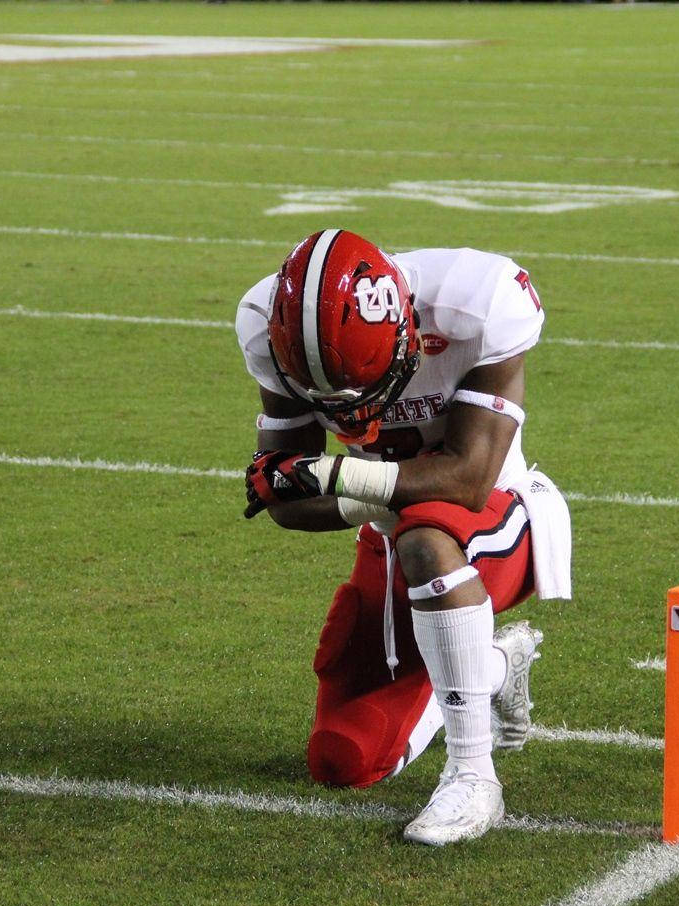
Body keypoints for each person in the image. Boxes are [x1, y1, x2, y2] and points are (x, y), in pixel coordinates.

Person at [236, 229, 571, 845]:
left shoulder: (476, 303)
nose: (349, 410)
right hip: (391, 539)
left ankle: (474, 777)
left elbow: (467, 481)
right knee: (344, 759)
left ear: (407, 333)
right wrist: (298, 484)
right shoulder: (266, 324)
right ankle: (493, 666)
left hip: (500, 516)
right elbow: (284, 502)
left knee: (426, 534)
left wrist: (332, 472)